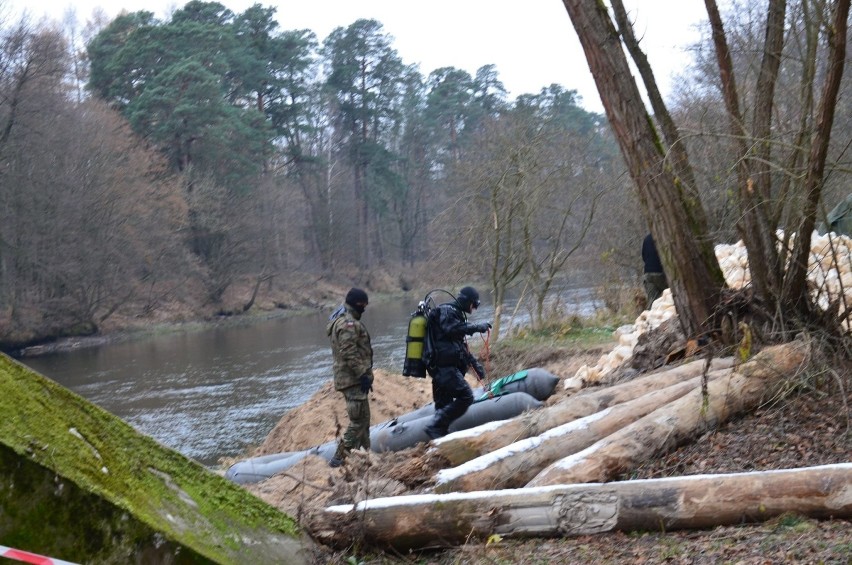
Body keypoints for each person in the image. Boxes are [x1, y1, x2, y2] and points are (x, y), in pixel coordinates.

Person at [422, 286, 491, 440]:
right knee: (466, 396)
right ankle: (434, 427)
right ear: (467, 302)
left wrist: (475, 366)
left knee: (444, 404)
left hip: (441, 367)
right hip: (443, 367)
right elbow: (452, 329)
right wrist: (477, 327)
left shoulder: (454, 314)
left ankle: (439, 438)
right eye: (474, 305)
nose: (474, 309)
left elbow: (461, 347)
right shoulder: (448, 311)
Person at [326, 287, 374, 468]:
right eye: (364, 305)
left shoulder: (342, 319)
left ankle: (365, 455)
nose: (365, 308)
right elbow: (349, 351)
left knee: (364, 420)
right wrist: (363, 374)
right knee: (358, 422)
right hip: (353, 380)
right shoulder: (348, 324)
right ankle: (338, 459)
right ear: (358, 303)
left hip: (352, 379)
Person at [642, 233, 669, 310]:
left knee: (653, 303)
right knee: (669, 299)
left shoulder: (646, 239)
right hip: (661, 273)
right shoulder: (664, 236)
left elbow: (644, 257)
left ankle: (651, 319)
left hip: (648, 274)